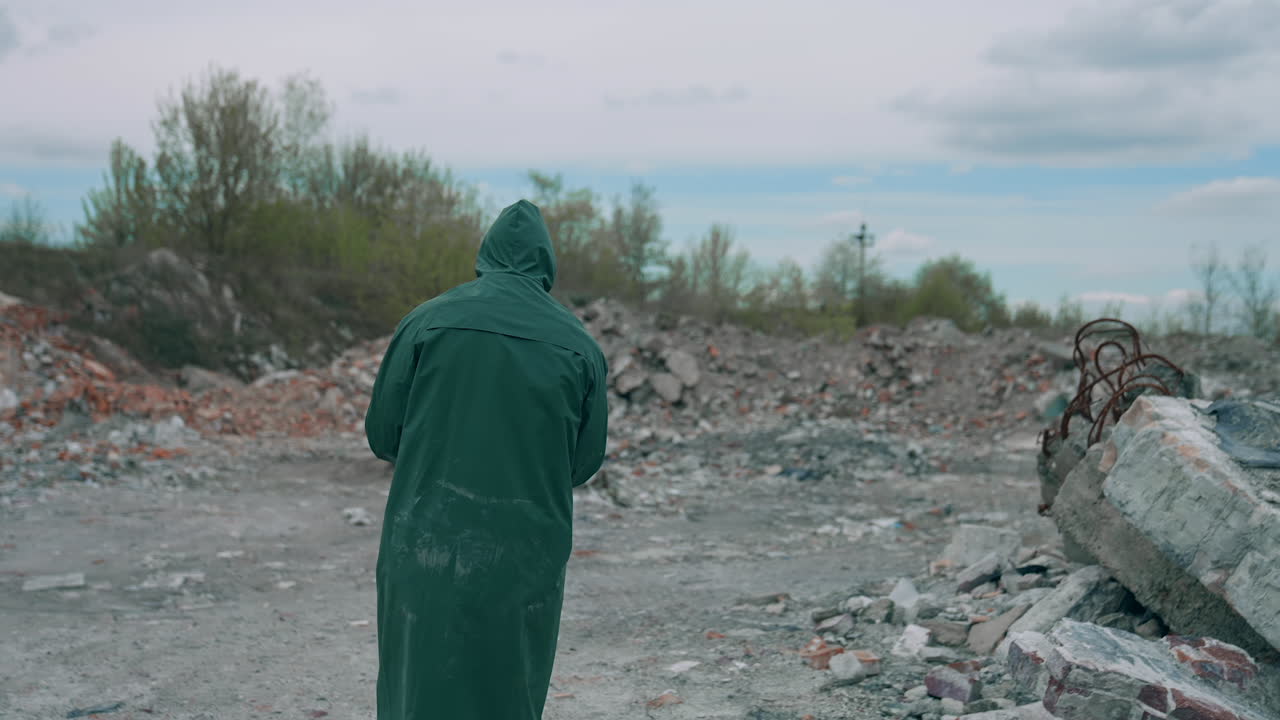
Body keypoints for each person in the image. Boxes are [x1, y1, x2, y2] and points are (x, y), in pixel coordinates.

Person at [364, 200, 608, 719]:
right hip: (526, 556)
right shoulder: (579, 346)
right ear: (547, 263)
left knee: (417, 690)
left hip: (425, 545)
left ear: (486, 253)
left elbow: (384, 436)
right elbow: (584, 464)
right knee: (508, 690)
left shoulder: (425, 323)